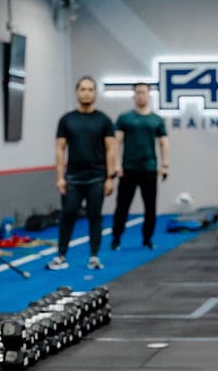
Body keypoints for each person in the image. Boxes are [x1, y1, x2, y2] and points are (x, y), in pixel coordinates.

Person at [47, 75, 117, 271]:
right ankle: (61, 255)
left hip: (97, 177)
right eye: (83, 89)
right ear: (77, 93)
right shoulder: (67, 120)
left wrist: (110, 178)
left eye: (90, 89)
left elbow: (111, 150)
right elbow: (60, 150)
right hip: (73, 178)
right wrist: (59, 177)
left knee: (95, 216)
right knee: (67, 215)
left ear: (95, 93)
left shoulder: (104, 120)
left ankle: (94, 257)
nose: (86, 93)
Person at [111, 82, 170, 250]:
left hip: (149, 169)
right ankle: (116, 238)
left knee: (150, 207)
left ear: (148, 95)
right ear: (134, 95)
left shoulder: (156, 120)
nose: (140, 96)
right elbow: (117, 142)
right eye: (137, 93)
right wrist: (116, 165)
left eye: (143, 92)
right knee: (122, 206)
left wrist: (165, 165)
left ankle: (147, 239)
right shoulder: (125, 118)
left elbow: (164, 143)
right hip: (128, 169)